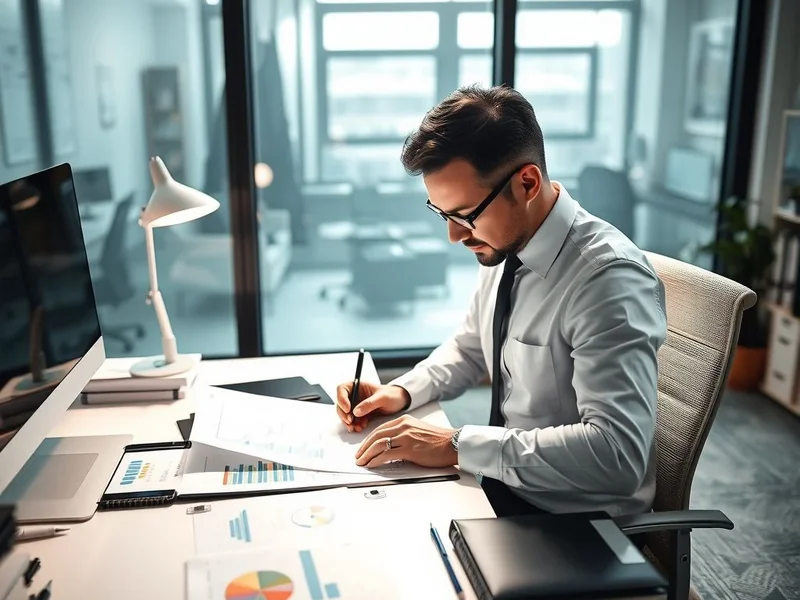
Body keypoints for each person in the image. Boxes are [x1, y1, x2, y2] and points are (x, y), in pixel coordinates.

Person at [335, 85, 667, 517]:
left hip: (574, 523)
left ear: (526, 183)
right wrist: (398, 392)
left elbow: (617, 456)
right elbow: (472, 346)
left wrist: (457, 444)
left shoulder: (606, 282)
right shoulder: (504, 242)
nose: (454, 235)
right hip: (502, 487)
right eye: (443, 214)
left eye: (465, 215)